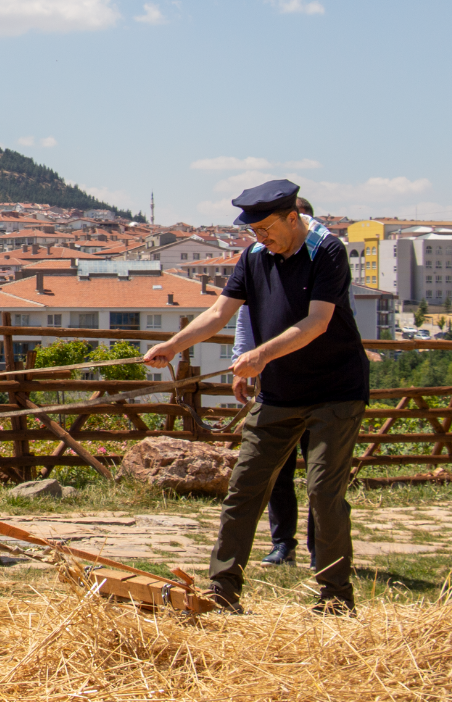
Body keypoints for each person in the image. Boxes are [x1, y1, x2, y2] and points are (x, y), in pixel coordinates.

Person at [144, 179, 368, 616]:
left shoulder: (328, 251)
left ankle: (337, 598)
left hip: (335, 391)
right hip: (280, 391)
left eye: (266, 228)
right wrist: (174, 345)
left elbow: (318, 322)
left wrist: (259, 355)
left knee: (324, 491)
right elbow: (219, 312)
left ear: (292, 218)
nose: (260, 237)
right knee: (245, 488)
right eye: (253, 230)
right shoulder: (252, 256)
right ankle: (223, 592)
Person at [232, 196, 316, 569]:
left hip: (319, 382)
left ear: (294, 220)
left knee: (320, 475)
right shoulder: (258, 260)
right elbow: (242, 314)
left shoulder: (322, 257)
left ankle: (321, 549)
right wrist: (242, 360)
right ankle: (283, 544)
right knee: (277, 471)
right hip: (276, 381)